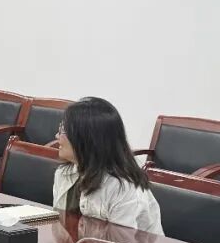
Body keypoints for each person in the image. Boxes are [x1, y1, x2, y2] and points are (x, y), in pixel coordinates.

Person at [53, 97, 163, 235]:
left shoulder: (122, 187)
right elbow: (60, 230)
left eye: (64, 130)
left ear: (87, 138)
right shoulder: (64, 173)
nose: (57, 136)